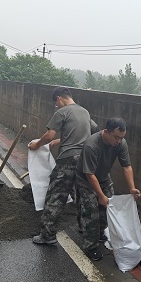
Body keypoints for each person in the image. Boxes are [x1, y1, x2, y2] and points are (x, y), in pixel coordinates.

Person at [28, 87, 92, 245]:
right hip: (84, 160)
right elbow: (83, 134)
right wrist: (59, 141)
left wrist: (37, 144)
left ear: (59, 98)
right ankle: (86, 230)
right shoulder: (84, 112)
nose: (57, 106)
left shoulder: (62, 112)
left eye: (56, 104)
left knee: (56, 196)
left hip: (68, 160)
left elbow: (49, 135)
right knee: (83, 197)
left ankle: (47, 235)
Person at [75, 118, 141, 261]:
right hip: (86, 178)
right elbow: (90, 174)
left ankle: (99, 231)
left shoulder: (121, 143)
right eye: (116, 137)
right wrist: (100, 195)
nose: (119, 141)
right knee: (91, 210)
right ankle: (90, 246)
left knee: (109, 206)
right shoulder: (92, 145)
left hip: (104, 177)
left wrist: (132, 188)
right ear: (106, 131)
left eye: (121, 137)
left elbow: (126, 167)